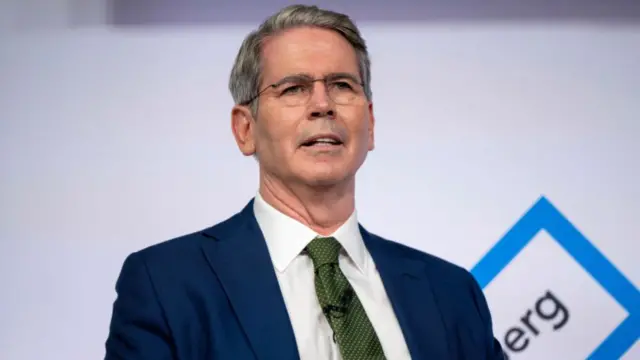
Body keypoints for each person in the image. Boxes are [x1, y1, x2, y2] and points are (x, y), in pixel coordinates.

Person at [104, 4, 505, 360]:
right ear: (245, 129)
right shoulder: (167, 284)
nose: (322, 105)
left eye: (342, 85)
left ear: (371, 123)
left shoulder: (451, 293)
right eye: (294, 88)